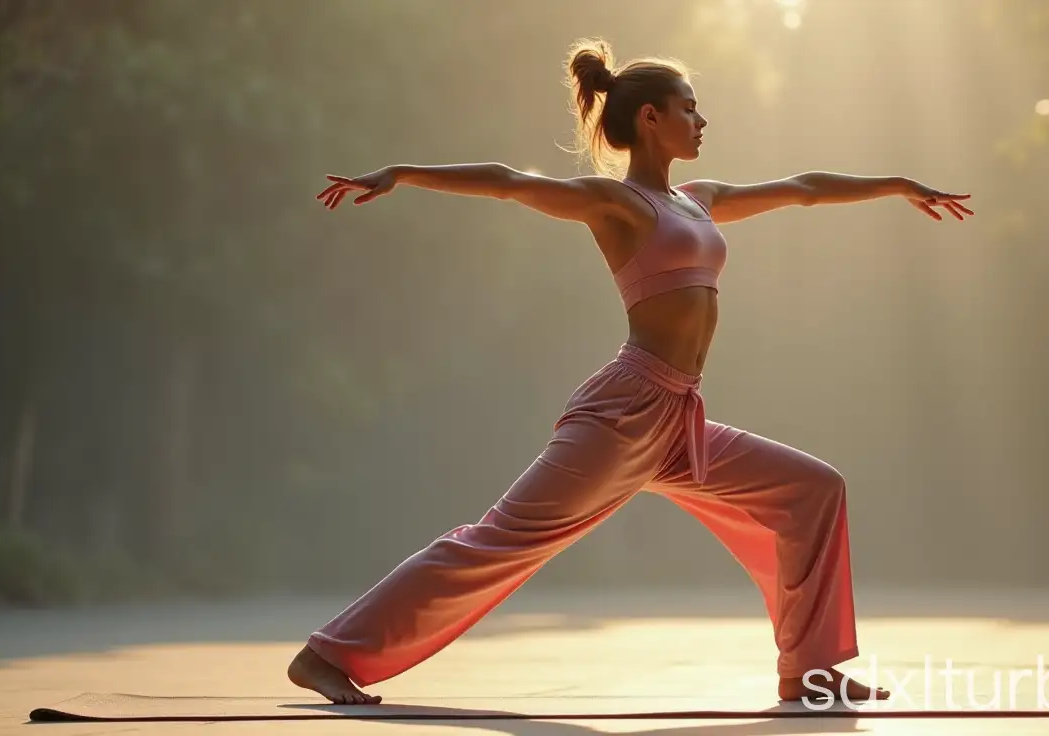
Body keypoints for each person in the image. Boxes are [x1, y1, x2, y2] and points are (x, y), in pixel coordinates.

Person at [289, 37, 972, 707]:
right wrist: (403, 173)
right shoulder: (616, 205)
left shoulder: (697, 200)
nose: (703, 122)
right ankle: (326, 655)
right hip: (622, 414)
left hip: (681, 420)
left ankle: (811, 671)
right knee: (499, 541)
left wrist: (897, 186)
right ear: (651, 118)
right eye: (690, 108)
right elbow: (508, 183)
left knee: (813, 490)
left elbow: (801, 190)